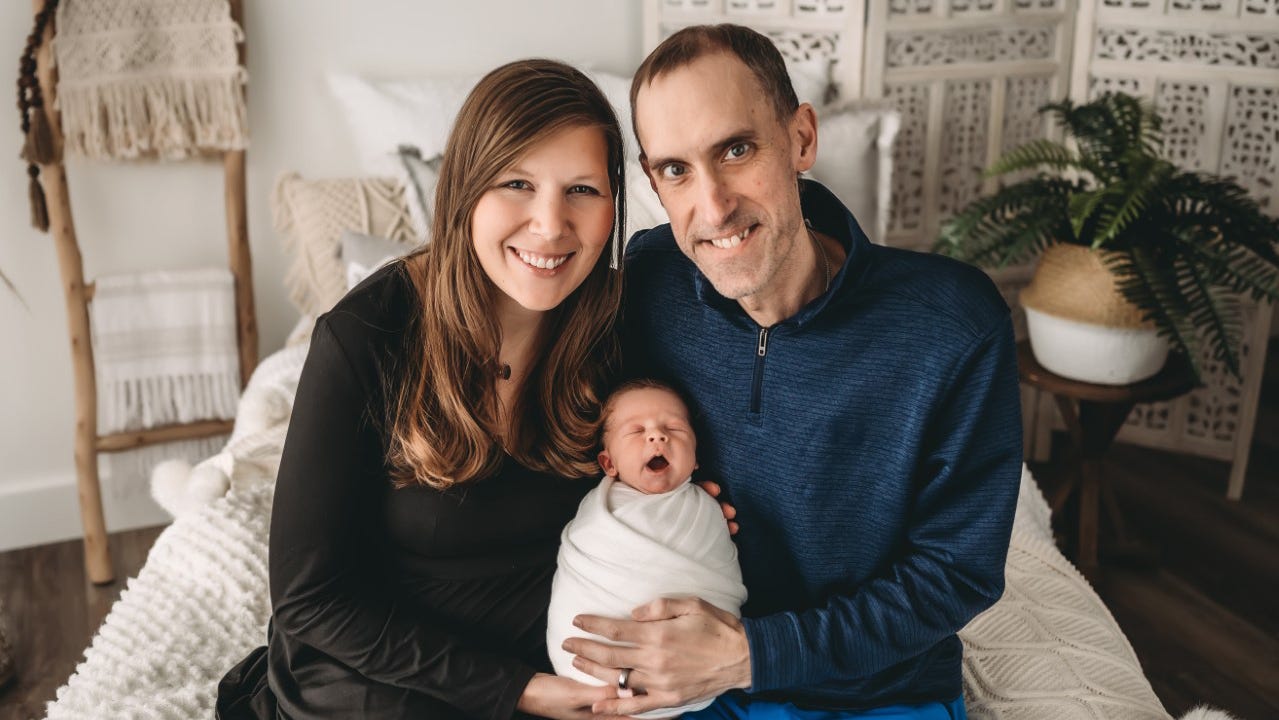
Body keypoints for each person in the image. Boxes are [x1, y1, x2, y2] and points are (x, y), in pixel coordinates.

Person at [561, 24, 1023, 719]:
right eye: (676, 170)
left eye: (736, 150)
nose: (712, 207)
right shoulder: (649, 280)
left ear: (801, 139)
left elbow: (955, 573)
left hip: (874, 696)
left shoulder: (949, 323)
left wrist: (752, 652)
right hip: (685, 685)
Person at [216, 59, 629, 720]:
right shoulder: (364, 335)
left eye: (581, 189)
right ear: (463, 190)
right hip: (379, 669)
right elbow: (309, 598)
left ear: (615, 202)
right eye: (516, 183)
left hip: (544, 659)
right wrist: (519, 691)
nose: (551, 224)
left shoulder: (619, 326)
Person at [546, 379, 747, 719]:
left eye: (674, 428)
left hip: (698, 671)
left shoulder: (707, 510)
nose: (657, 436)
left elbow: (720, 584)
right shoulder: (598, 512)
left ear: (696, 459)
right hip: (588, 675)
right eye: (636, 430)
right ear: (609, 464)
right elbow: (579, 565)